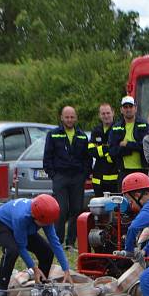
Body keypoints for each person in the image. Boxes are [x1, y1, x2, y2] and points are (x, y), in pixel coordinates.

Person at [0, 194, 71, 296]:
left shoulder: (45, 214)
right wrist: (34, 268)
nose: (47, 226)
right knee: (12, 250)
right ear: (35, 216)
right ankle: (1, 293)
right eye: (45, 224)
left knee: (47, 251)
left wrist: (66, 269)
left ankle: (41, 288)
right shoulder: (21, 217)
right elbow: (21, 246)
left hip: (24, 226)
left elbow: (55, 242)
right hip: (0, 224)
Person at [43, 106, 90, 251]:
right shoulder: (53, 134)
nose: (69, 120)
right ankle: (57, 242)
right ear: (61, 118)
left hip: (77, 178)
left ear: (76, 118)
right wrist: (54, 175)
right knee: (61, 210)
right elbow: (47, 157)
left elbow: (87, 159)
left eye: (72, 117)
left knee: (76, 210)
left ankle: (70, 243)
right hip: (60, 177)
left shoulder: (82, 136)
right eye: (67, 117)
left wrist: (84, 175)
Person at [109, 96, 149, 181]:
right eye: (125, 107)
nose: (128, 109)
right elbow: (112, 151)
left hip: (143, 170)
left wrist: (127, 144)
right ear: (121, 110)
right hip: (123, 171)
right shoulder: (116, 127)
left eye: (131, 106)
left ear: (135, 108)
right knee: (124, 194)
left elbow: (147, 147)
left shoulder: (144, 125)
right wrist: (127, 150)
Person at [89, 102, 119, 196]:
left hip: (114, 179)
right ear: (99, 115)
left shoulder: (119, 128)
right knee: (99, 207)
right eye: (103, 113)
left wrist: (100, 149)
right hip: (98, 179)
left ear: (113, 113)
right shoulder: (96, 130)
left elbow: (116, 150)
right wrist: (107, 148)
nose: (106, 116)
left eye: (108, 113)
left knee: (114, 208)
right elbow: (91, 151)